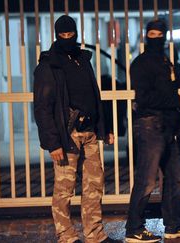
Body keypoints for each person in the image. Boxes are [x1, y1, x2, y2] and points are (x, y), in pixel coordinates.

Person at [33, 15, 120, 243]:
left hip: (90, 131)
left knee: (94, 186)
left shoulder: (83, 59)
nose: (67, 38)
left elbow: (94, 95)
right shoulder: (48, 64)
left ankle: (94, 234)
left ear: (76, 34)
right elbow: (42, 108)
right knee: (64, 189)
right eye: (63, 35)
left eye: (71, 34)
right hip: (67, 135)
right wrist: (52, 143)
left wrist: (106, 127)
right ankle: (66, 236)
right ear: (56, 35)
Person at [124, 19, 180, 243]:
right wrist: (176, 99)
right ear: (147, 36)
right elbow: (145, 98)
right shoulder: (140, 64)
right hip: (150, 126)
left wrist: (176, 107)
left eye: (159, 34)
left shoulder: (166, 62)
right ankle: (134, 228)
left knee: (174, 179)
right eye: (152, 34)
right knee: (146, 180)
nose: (156, 38)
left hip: (168, 126)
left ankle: (173, 225)